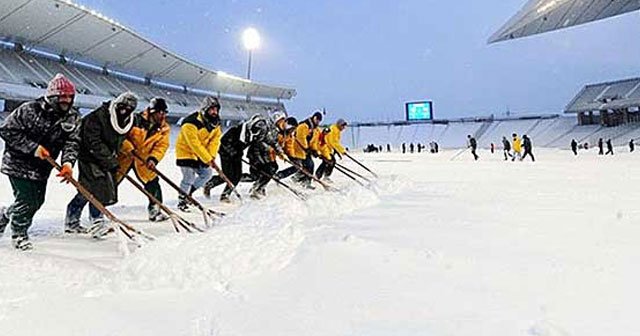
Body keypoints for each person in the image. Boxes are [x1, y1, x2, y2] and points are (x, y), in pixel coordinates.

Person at [0, 74, 80, 250]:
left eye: (70, 97)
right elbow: (7, 131)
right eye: (62, 96)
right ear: (52, 96)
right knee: (27, 200)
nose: (67, 100)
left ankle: (5, 215)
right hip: (17, 162)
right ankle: (19, 234)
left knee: (37, 201)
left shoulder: (72, 117)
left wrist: (68, 164)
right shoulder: (29, 109)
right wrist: (34, 148)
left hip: (43, 167)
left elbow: (72, 142)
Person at [64, 92, 138, 238]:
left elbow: (119, 140)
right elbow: (93, 142)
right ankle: (95, 222)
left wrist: (118, 155)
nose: (125, 110)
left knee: (91, 189)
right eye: (122, 107)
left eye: (129, 109)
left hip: (105, 157)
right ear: (116, 105)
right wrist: (110, 160)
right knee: (94, 188)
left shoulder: (127, 120)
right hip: (88, 155)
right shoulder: (98, 117)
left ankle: (74, 221)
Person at [115, 97, 171, 222]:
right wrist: (128, 148)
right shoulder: (134, 120)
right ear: (151, 111)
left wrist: (154, 159)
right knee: (110, 183)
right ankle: (98, 211)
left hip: (143, 160)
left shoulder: (164, 128)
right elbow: (120, 136)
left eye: (164, 113)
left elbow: (161, 146)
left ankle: (155, 210)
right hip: (125, 157)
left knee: (153, 183)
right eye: (159, 112)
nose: (162, 116)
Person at [175, 96, 222, 211]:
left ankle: (189, 193)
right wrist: (206, 158)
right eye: (212, 109)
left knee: (207, 174)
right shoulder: (191, 122)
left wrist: (210, 157)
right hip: (185, 152)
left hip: (200, 154)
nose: (214, 112)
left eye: (216, 109)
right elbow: (193, 144)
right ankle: (182, 201)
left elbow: (215, 141)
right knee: (188, 177)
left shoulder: (215, 123)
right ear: (205, 109)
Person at [290, 111, 323, 189]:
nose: (318, 122)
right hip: (298, 149)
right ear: (314, 118)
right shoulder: (304, 125)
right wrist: (306, 148)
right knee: (306, 165)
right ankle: (297, 179)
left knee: (310, 165)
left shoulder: (315, 129)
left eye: (319, 121)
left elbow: (313, 141)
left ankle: (305, 182)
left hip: (306, 150)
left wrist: (314, 150)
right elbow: (301, 138)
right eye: (317, 120)